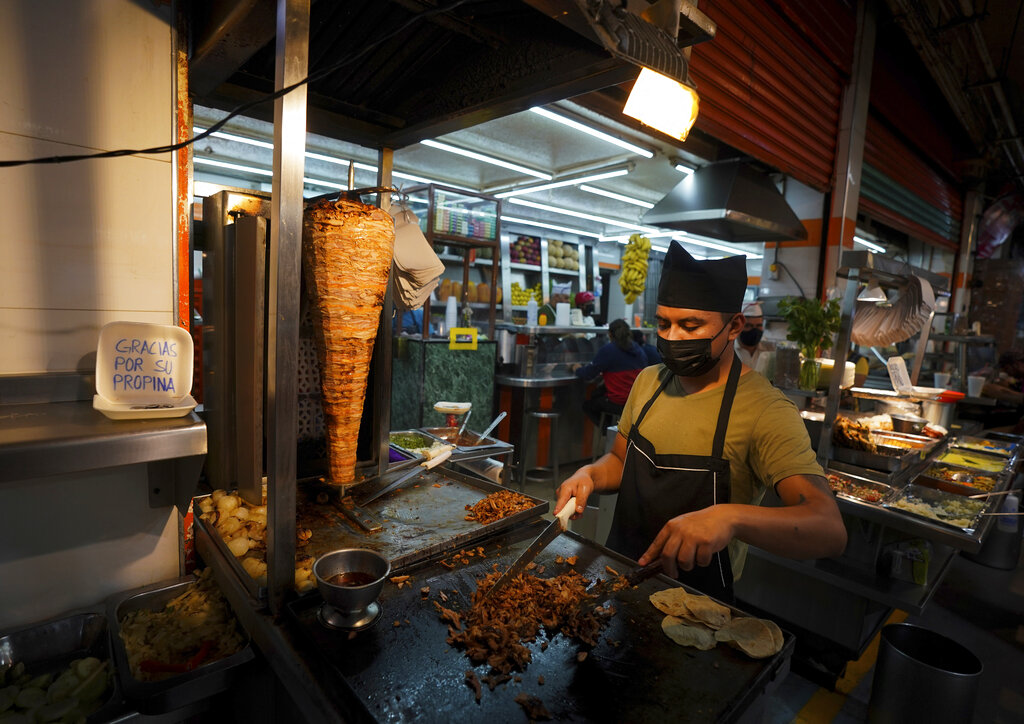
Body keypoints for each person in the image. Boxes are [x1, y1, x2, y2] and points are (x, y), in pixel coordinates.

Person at [556, 242, 847, 600]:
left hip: (696, 602)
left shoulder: (765, 409)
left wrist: (730, 518)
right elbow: (620, 460)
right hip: (619, 575)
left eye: (691, 326)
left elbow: (828, 528)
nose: (673, 337)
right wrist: (590, 475)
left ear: (734, 326)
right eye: (664, 323)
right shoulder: (649, 381)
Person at [572, 319, 648, 427]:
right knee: (597, 394)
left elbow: (588, 374)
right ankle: (612, 430)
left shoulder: (609, 350)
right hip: (635, 403)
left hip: (618, 402)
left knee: (588, 405)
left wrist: (576, 369)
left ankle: (607, 430)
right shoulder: (638, 350)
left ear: (610, 334)